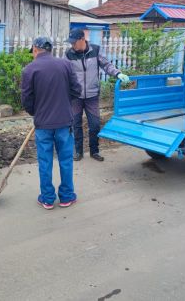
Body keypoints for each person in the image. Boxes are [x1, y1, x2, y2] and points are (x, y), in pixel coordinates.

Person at [21, 37, 82, 210]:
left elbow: (26, 99)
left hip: (43, 124)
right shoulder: (65, 65)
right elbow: (77, 90)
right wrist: (63, 102)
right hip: (64, 121)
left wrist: (36, 112)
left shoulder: (29, 69)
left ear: (35, 49)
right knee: (66, 160)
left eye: (32, 51)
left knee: (45, 161)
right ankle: (66, 197)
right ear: (50, 49)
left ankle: (47, 199)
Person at [65, 29, 129, 162]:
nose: (72, 45)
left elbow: (106, 65)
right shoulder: (68, 54)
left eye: (74, 42)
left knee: (94, 125)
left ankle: (94, 151)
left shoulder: (95, 50)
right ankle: (78, 151)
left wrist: (118, 73)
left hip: (92, 95)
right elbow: (63, 71)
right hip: (75, 96)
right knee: (76, 125)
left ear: (82, 39)